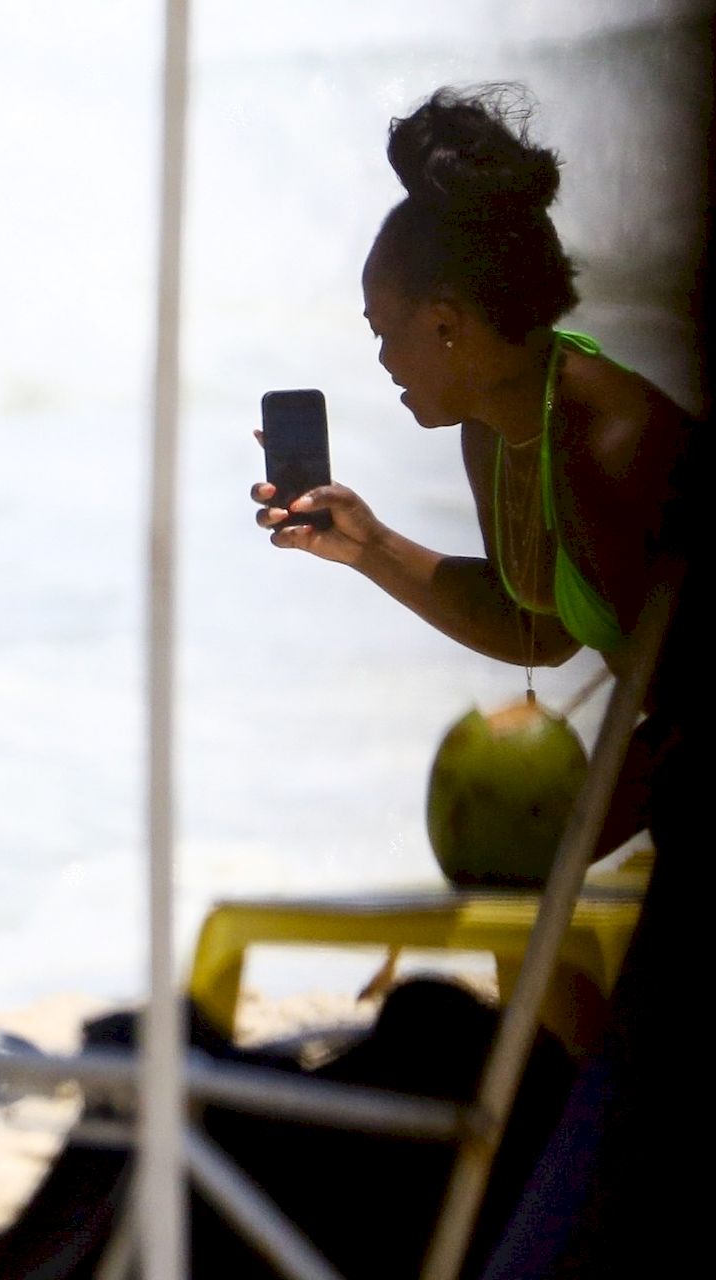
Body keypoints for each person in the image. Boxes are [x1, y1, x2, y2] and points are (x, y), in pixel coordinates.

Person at [252, 86, 702, 1274]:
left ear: (449, 322)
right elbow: (538, 626)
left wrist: (570, 837)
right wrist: (366, 545)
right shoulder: (503, 428)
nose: (386, 359)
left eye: (386, 330)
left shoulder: (608, 449)